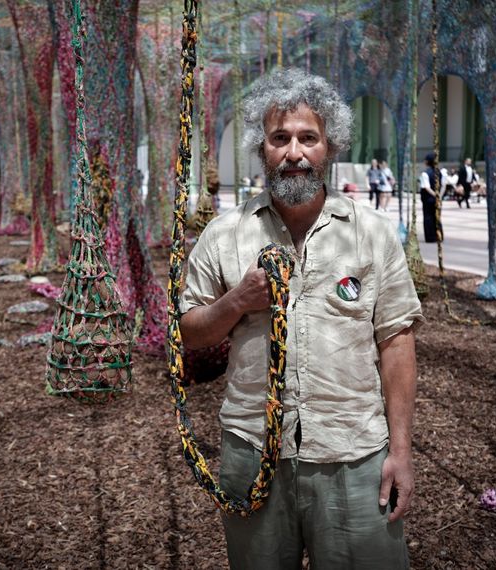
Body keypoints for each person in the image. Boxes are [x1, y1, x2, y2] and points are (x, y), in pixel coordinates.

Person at [179, 67, 422, 569]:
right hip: (252, 450)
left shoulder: (372, 234)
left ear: (330, 147)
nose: (294, 152)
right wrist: (236, 302)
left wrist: (400, 451)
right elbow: (189, 332)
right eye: (279, 138)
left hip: (353, 453)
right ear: (261, 147)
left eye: (308, 138)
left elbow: (397, 341)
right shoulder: (224, 234)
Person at [419, 153, 441, 243]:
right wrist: (439, 196)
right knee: (436, 216)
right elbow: (443, 185)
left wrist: (435, 195)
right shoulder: (439, 172)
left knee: (428, 217)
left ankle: (430, 237)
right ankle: (439, 236)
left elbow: (427, 187)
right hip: (437, 198)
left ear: (427, 162)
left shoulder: (425, 173)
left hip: (428, 198)